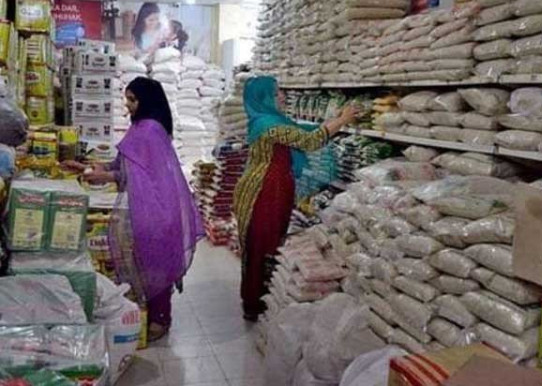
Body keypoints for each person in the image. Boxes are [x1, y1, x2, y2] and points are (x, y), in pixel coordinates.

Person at [65, 77, 203, 341]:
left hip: (158, 210)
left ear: (146, 101)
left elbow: (138, 175)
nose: (127, 105)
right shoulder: (141, 127)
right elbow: (124, 164)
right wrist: (87, 167)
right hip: (148, 207)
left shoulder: (150, 130)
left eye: (132, 99)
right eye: (126, 99)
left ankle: (161, 319)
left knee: (155, 264)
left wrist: (105, 176)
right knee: (145, 262)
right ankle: (151, 313)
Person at [233, 76, 359, 321]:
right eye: (276, 92)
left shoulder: (268, 119)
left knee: (264, 241)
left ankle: (260, 296)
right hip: (265, 192)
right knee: (263, 244)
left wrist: (333, 120)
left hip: (270, 188)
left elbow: (303, 130)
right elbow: (309, 140)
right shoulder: (269, 125)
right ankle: (255, 301)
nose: (282, 96)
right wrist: (343, 120)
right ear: (264, 98)